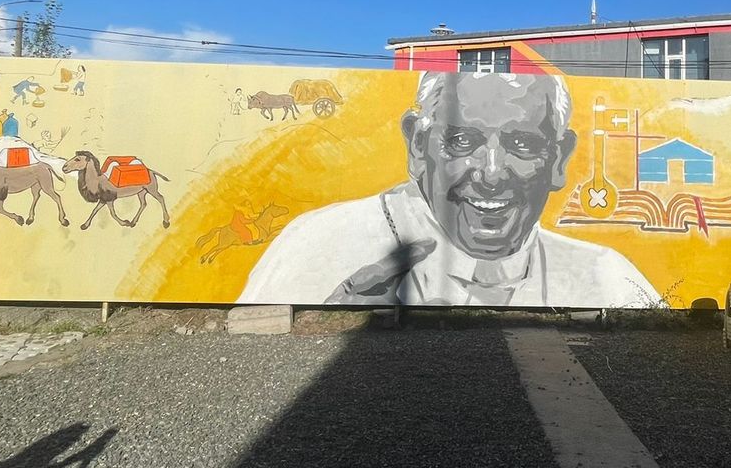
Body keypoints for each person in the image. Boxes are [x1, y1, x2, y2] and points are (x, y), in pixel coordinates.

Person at [239, 71, 658, 307]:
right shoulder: (317, 244)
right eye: (461, 141)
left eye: (523, 144)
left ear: (559, 159)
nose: (491, 173)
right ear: (418, 146)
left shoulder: (607, 278)